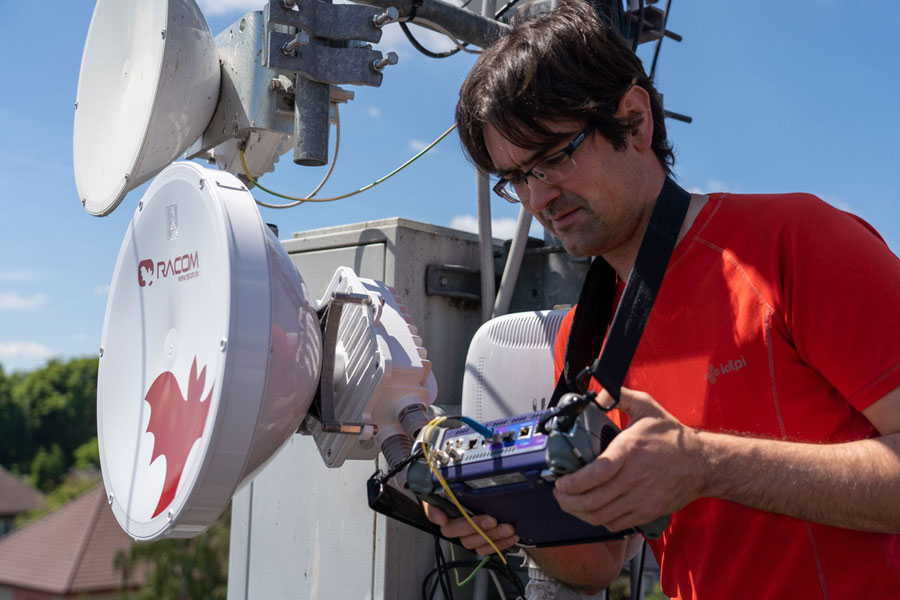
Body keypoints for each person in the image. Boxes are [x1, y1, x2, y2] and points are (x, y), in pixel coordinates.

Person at [423, 1, 900, 598]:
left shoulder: (796, 242)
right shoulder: (584, 336)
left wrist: (708, 465)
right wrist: (509, 522)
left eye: (554, 157)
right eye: (516, 177)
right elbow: (597, 561)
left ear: (635, 120)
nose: (538, 197)